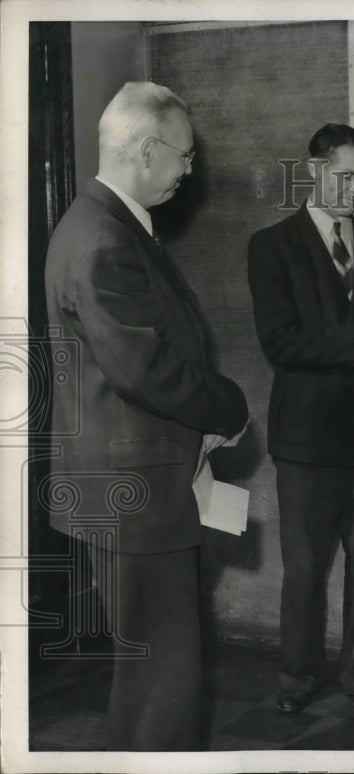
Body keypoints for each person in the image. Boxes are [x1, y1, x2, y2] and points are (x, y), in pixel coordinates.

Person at [44, 81, 249, 750]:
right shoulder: (105, 239)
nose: (190, 169)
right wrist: (229, 405)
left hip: (136, 486)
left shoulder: (105, 225)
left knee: (151, 682)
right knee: (165, 684)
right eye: (185, 155)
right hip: (137, 496)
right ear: (147, 149)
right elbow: (145, 370)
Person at [247, 124, 354, 717]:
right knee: (304, 570)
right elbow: (279, 341)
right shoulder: (271, 246)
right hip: (307, 439)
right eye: (345, 176)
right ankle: (298, 676)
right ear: (314, 170)